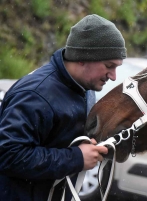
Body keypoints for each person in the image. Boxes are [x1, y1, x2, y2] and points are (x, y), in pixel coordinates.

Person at [0, 14, 126, 201]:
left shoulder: (84, 86)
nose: (114, 76)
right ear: (83, 57)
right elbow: (8, 155)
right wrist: (76, 158)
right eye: (109, 66)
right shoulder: (36, 94)